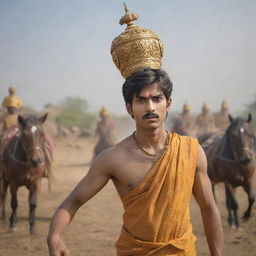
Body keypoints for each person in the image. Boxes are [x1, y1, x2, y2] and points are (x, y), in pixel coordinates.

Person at [47, 5, 223, 256]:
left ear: (168, 103)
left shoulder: (191, 150)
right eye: (141, 100)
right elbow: (72, 202)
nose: (150, 107)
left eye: (157, 99)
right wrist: (54, 236)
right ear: (129, 106)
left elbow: (209, 209)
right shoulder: (112, 158)